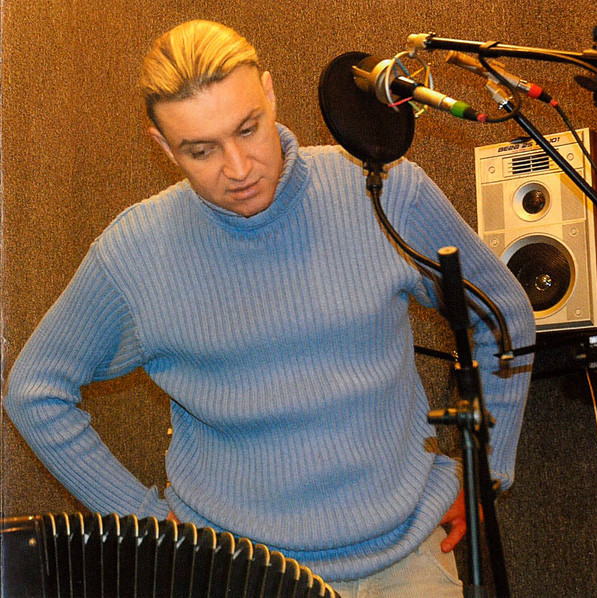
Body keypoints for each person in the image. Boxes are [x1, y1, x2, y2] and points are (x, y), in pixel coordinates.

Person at [5, 19, 535, 596]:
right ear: (162, 147)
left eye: (247, 129)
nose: (237, 169)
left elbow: (503, 312)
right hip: (238, 574)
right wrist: (147, 523)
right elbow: (35, 390)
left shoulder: (382, 188)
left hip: (406, 559)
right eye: (201, 150)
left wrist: (483, 473)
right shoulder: (135, 252)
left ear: (270, 93)